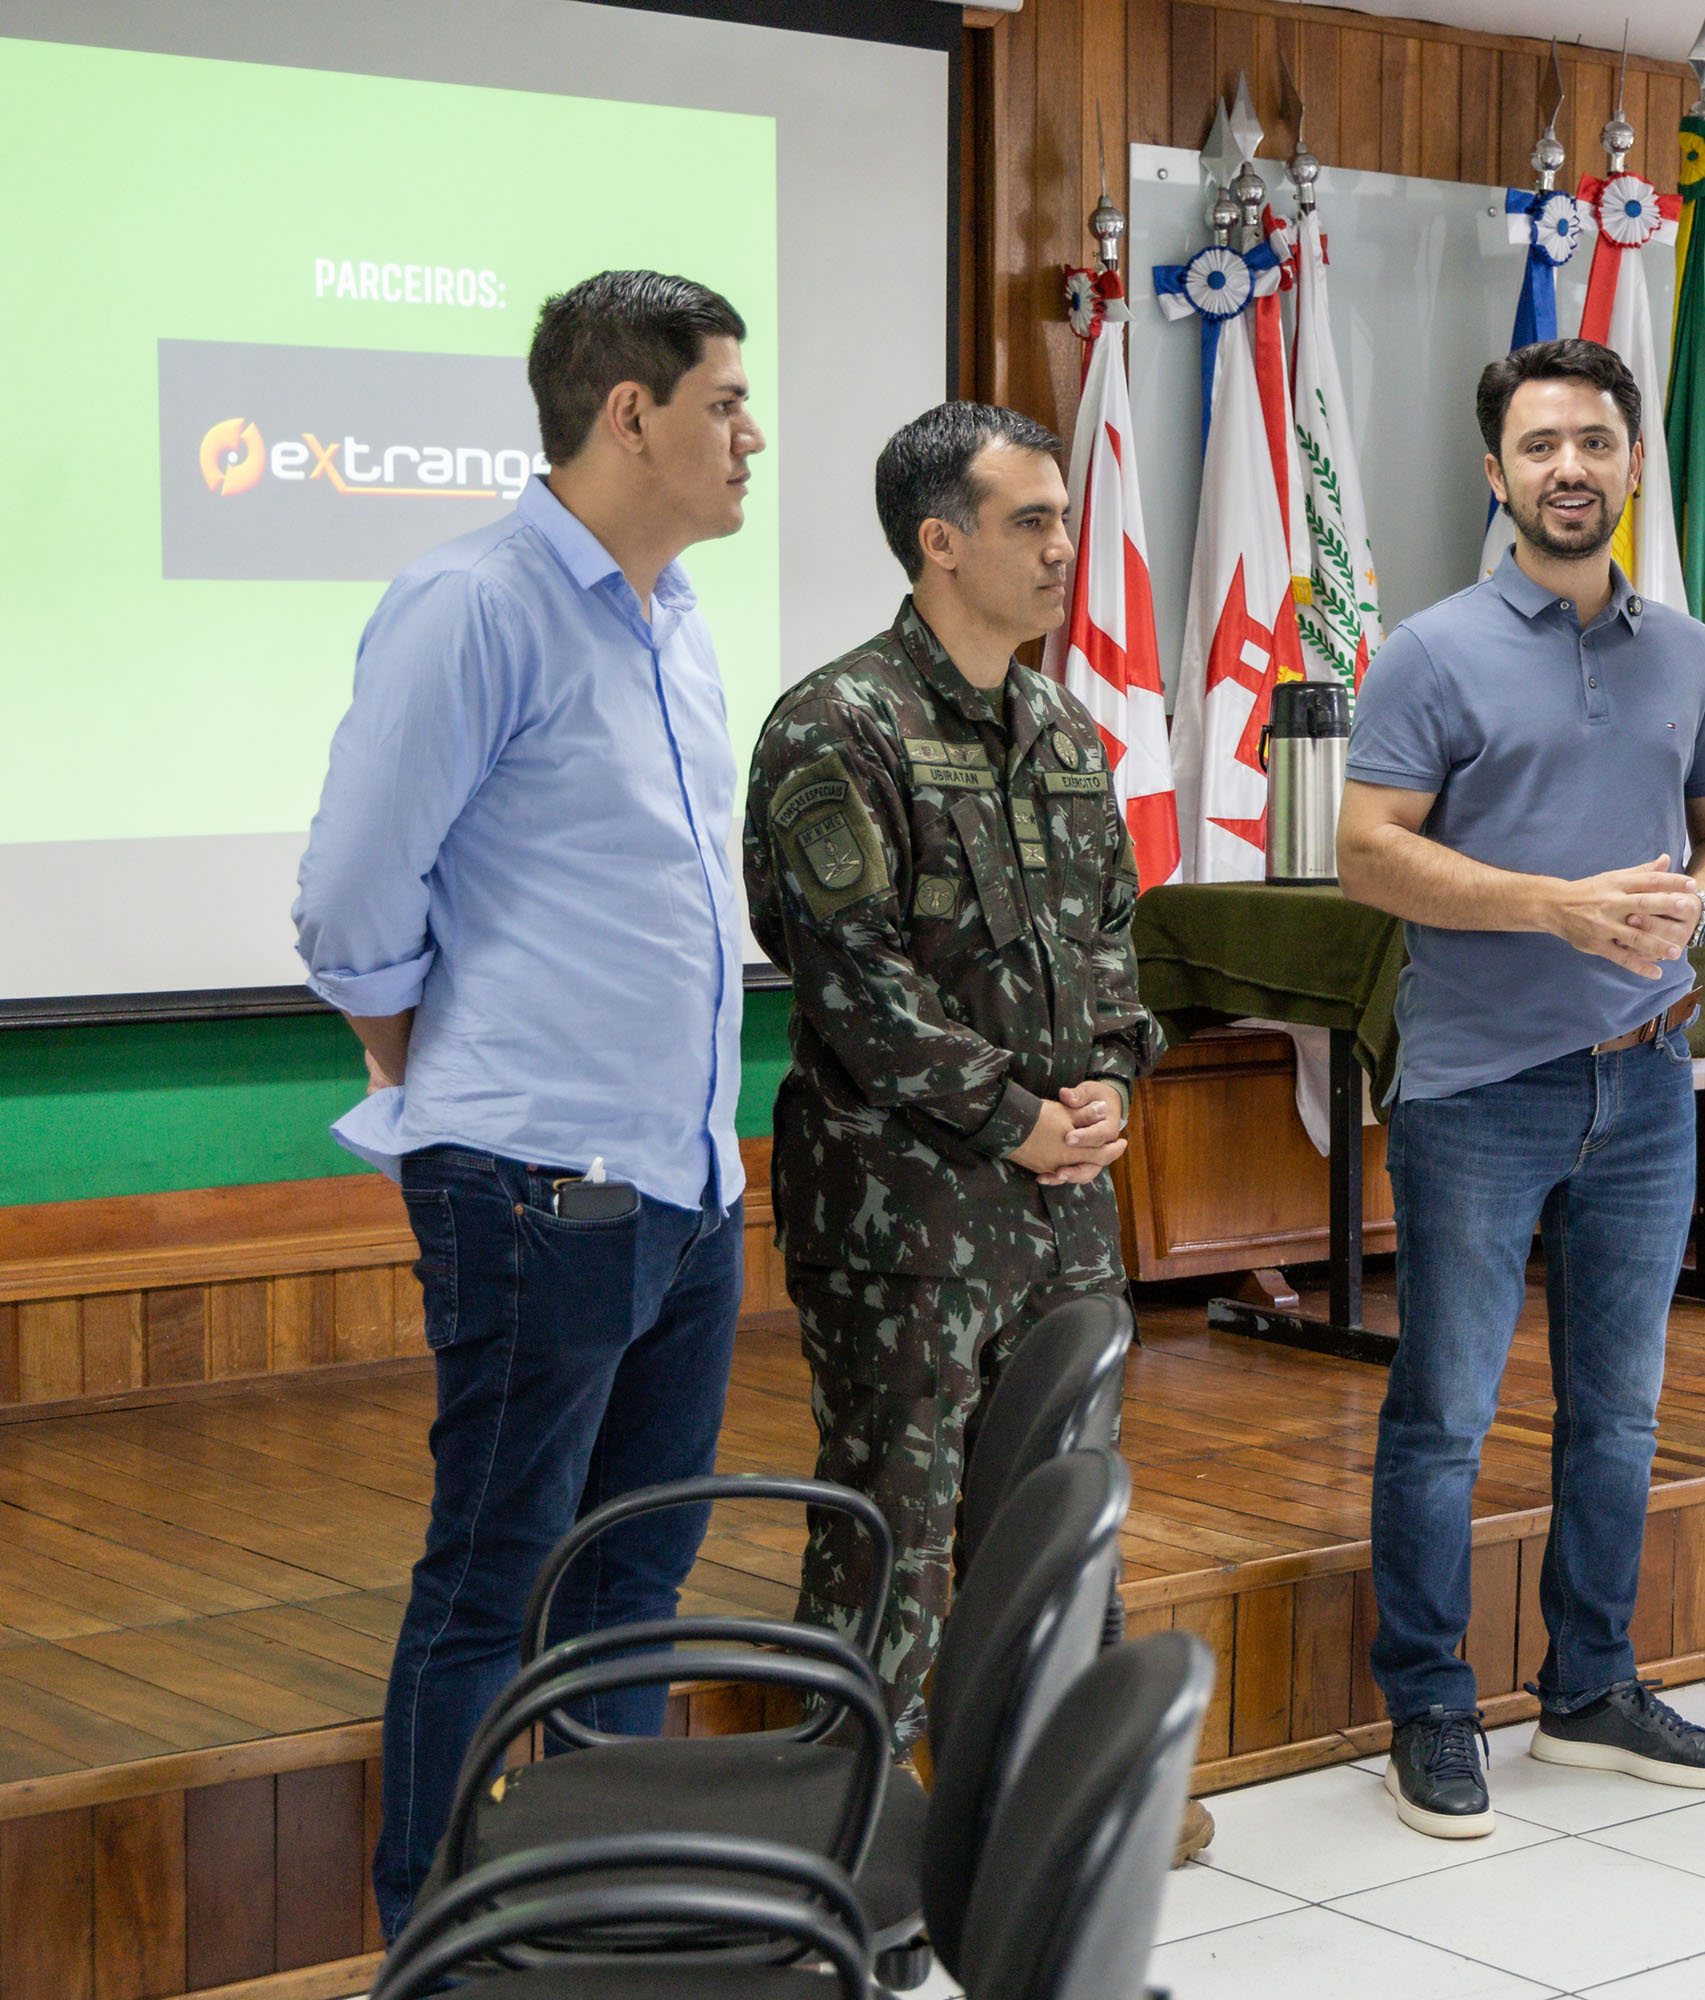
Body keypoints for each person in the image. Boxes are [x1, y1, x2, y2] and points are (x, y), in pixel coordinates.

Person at [293, 270, 764, 1931]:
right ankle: (442, 1944)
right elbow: (354, 889)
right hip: (535, 1181)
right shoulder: (477, 601)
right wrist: (410, 1064)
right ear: (627, 414)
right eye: (723, 402)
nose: (750, 435)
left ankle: (596, 1914)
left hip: (687, 1182)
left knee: (634, 1583)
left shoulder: (678, 619)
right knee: (497, 1578)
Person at [741, 402, 1190, 1843]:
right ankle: (845, 1819)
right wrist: (1012, 1117)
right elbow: (849, 978)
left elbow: (1116, 937)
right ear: (940, 544)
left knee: (1063, 1501)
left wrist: (1119, 1073)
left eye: (1063, 516)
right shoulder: (839, 724)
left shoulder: (1063, 728)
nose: (1066, 547)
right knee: (895, 1517)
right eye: (1030, 522)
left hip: (1063, 1204)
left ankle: (1065, 1790)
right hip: (909, 1216)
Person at [1337, 338, 1705, 1839]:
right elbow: (1369, 852)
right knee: (1445, 1414)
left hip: (1649, 1087)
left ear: (1634, 462)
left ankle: (1589, 1686)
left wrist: (1692, 910)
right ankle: (1430, 1706)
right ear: (1496, 473)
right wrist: (1555, 907)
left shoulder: (1691, 652)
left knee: (1620, 1414)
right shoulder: (1430, 652)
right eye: (1540, 447)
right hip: (1477, 1093)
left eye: (1595, 441)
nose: (1569, 468)